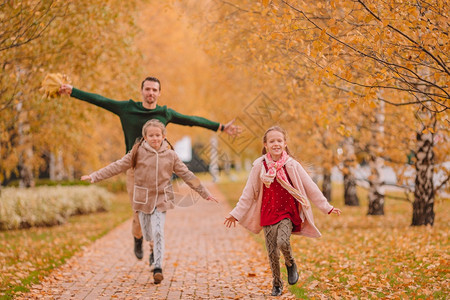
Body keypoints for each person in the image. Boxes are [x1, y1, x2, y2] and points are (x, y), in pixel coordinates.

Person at [59, 77, 240, 260]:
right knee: (139, 213)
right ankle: (137, 237)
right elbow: (99, 100)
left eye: (154, 90)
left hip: (159, 170)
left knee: (156, 212)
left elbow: (190, 120)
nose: (151, 93)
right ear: (142, 91)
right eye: (148, 89)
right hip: (135, 170)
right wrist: (73, 91)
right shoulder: (127, 109)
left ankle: (155, 250)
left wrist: (221, 127)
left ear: (159, 93)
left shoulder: (165, 113)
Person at [81, 119, 218, 284]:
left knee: (159, 231)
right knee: (148, 234)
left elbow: (187, 175)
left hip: (161, 199)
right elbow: (117, 166)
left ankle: (158, 267)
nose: (154, 138)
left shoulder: (171, 155)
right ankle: (144, 242)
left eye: (157, 135)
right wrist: (94, 176)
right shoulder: (137, 153)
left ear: (163, 136)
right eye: (151, 135)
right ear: (145, 137)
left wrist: (205, 193)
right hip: (142, 200)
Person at [224, 126, 341, 297]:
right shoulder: (260, 165)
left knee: (283, 242)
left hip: (287, 212)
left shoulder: (292, 165)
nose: (276, 144)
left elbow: (310, 187)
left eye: (279, 140)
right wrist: (235, 213)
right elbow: (248, 193)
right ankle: (277, 284)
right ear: (265, 144)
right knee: (272, 252)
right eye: (272, 141)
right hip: (268, 212)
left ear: (285, 144)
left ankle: (291, 263)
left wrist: (327, 207)